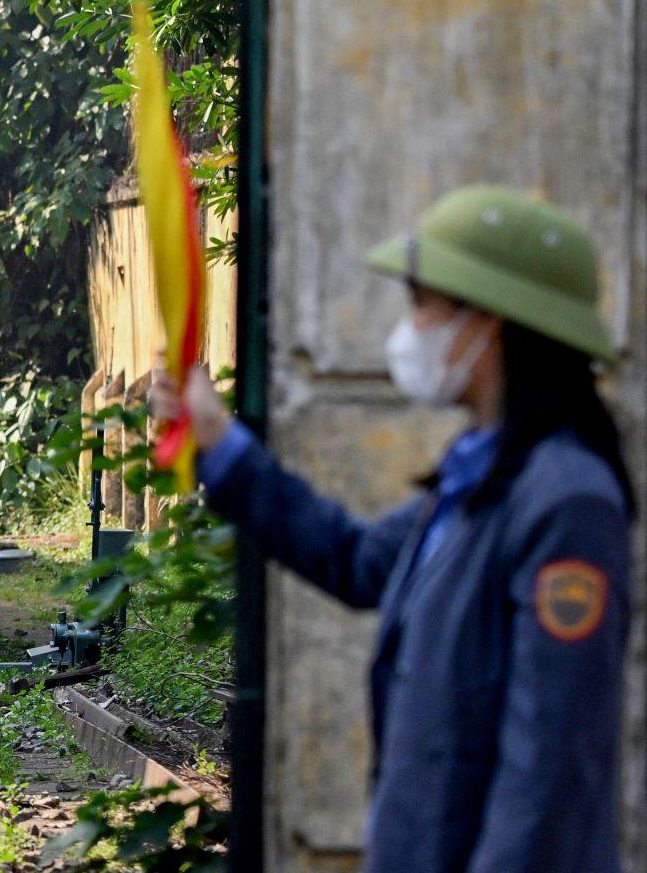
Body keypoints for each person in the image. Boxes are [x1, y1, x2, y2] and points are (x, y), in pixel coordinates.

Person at [152, 185, 633, 873]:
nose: (408, 327)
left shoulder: (565, 503)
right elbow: (354, 558)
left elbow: (547, 775)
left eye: (420, 301)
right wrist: (219, 441)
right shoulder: (480, 474)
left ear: (487, 320)